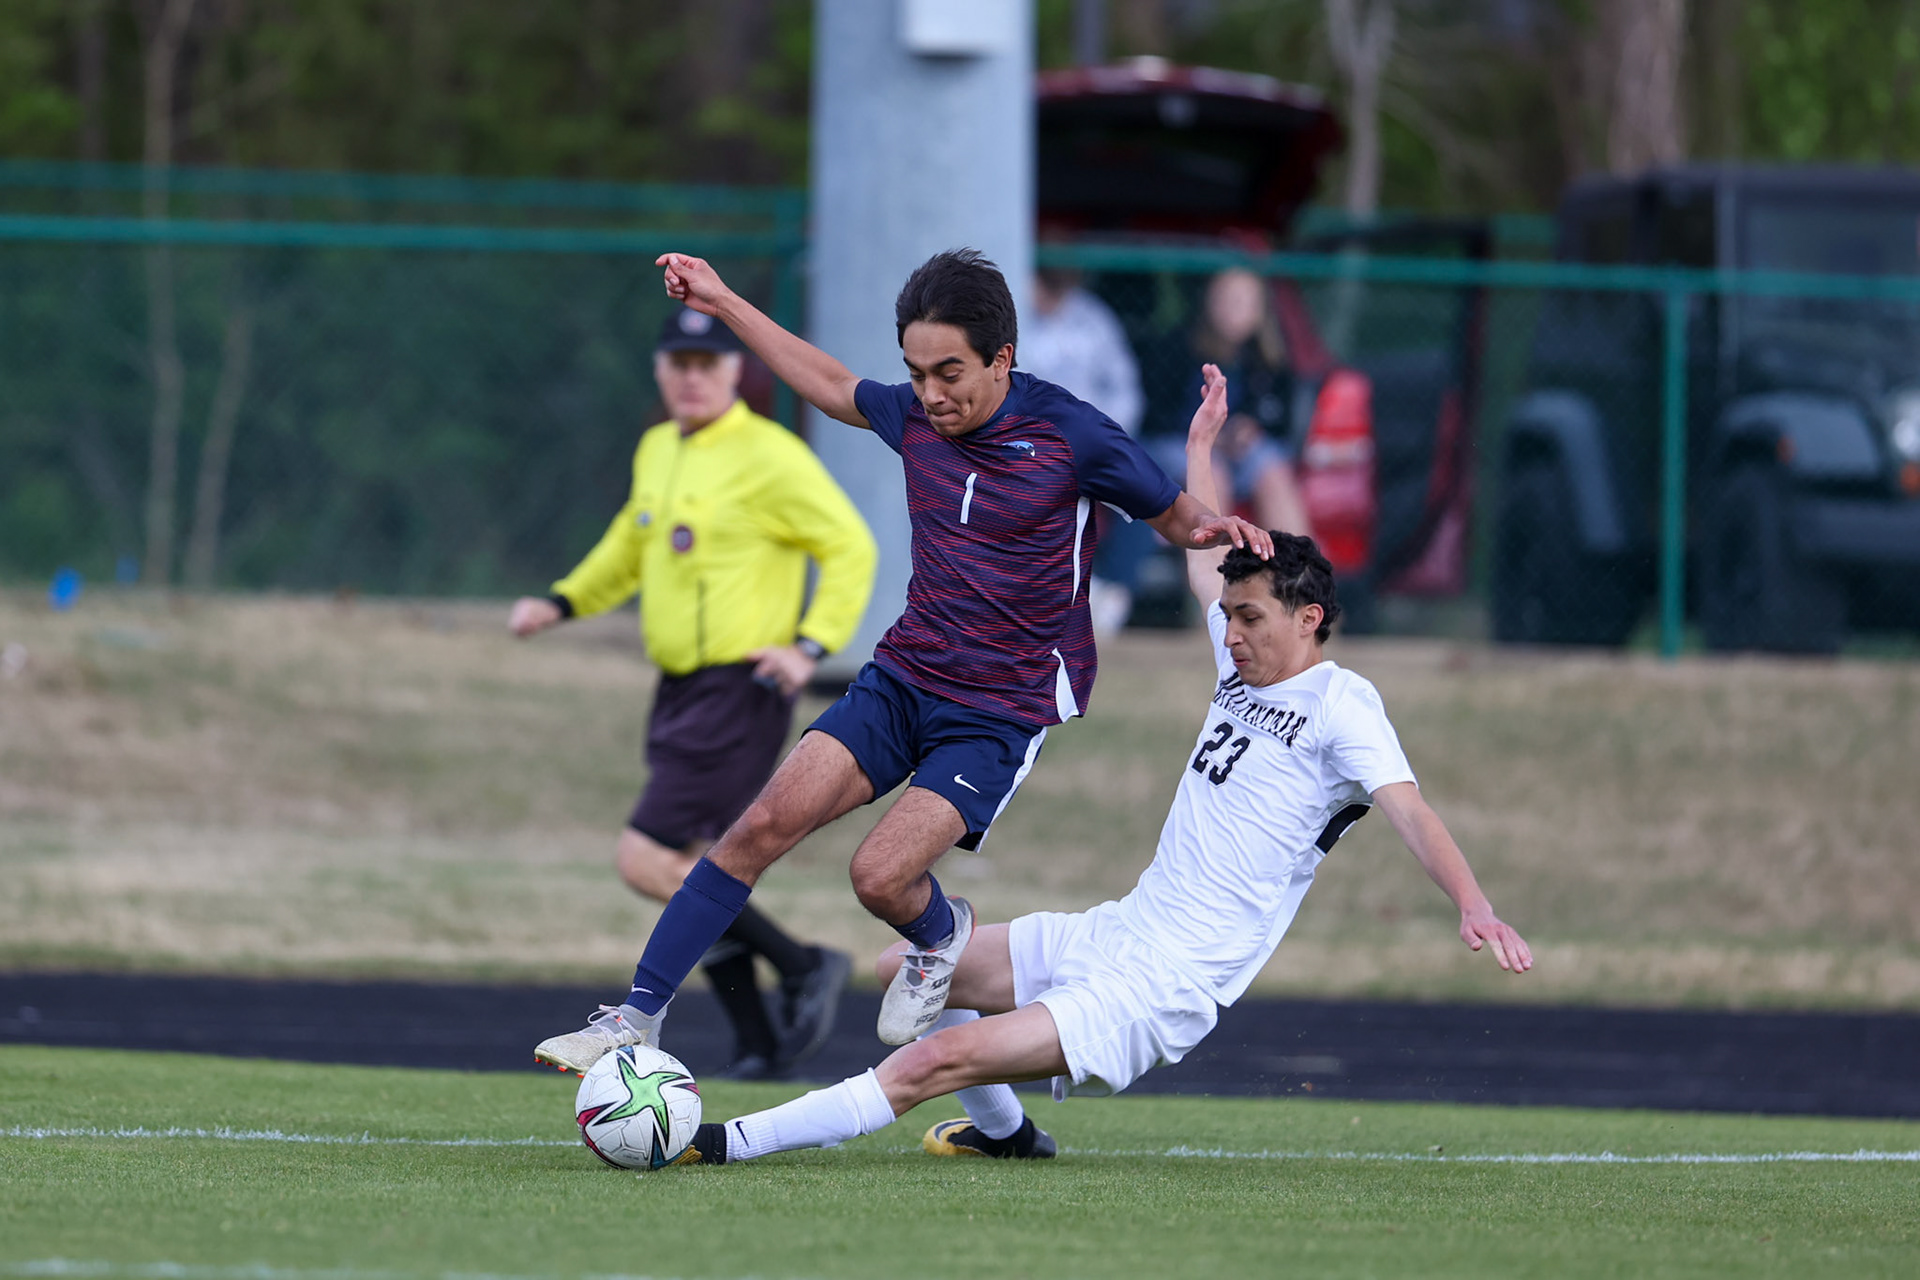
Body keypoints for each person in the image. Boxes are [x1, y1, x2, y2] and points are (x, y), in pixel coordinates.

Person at [669, 365, 1532, 1166]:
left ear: (1310, 619)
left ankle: (719, 1142)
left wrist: (1474, 904)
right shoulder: (1242, 663)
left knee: (934, 1056)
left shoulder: (1345, 704)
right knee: (907, 971)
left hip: (1166, 983)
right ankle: (1007, 1137)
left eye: (1251, 618)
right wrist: (1200, 448)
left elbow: (1410, 810)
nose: (1229, 633)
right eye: (1228, 616)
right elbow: (1204, 550)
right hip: (1116, 931)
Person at [532, 249, 1272, 1098]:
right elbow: (828, 380)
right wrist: (726, 300)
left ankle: (939, 929)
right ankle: (634, 1021)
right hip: (904, 676)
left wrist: (1219, 515)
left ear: (1002, 359)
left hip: (1000, 709)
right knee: (756, 828)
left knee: (878, 877)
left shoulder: (1074, 434)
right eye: (917, 373)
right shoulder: (916, 416)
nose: (931, 394)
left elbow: (1183, 520)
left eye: (950, 372)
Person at [509, 306, 877, 1080]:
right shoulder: (658, 448)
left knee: (645, 860)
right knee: (691, 867)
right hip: (678, 689)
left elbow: (848, 544)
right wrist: (563, 600)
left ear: (734, 371)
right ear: (659, 370)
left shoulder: (769, 454)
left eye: (707, 363)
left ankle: (805, 964)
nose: (691, 375)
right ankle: (758, 1040)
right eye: (678, 361)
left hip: (739, 689)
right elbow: (628, 544)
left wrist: (809, 643)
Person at [1022, 267, 1149, 636]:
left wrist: (1105, 436)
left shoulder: (1093, 319)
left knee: (1142, 491)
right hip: (1031, 443)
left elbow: (1126, 389)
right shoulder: (1011, 322)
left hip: (1095, 438)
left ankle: (1112, 593)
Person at [1186, 267, 1311, 540]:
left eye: (1245, 302)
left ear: (1260, 311)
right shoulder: (1181, 350)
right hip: (1186, 443)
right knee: (1213, 475)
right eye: (1228, 300)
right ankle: (1216, 578)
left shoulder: (1270, 359)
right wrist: (1206, 436)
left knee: (1273, 471)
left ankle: (1296, 575)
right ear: (1209, 303)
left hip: (1241, 450)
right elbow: (1158, 416)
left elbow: (1278, 417)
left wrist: (1251, 428)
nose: (1235, 310)